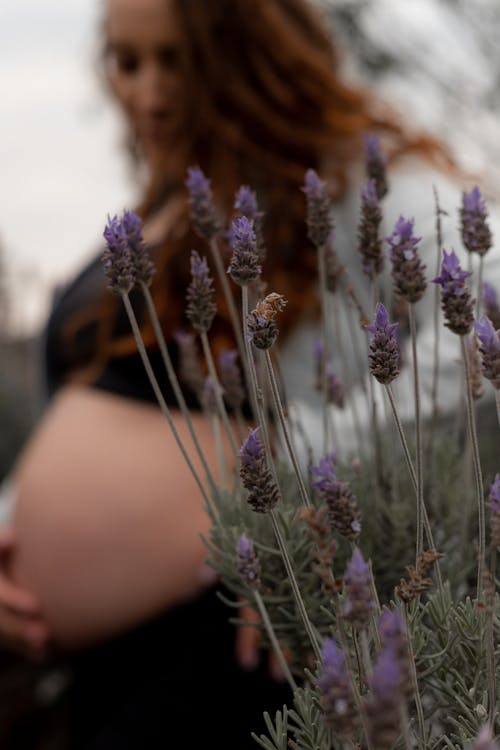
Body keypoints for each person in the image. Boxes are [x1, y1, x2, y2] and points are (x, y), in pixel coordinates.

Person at [0, 0, 499, 747]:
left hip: (230, 637)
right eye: (126, 61)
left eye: (176, 59)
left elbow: (484, 320)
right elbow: (79, 414)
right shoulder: (159, 212)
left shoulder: (333, 185)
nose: (147, 92)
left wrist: (306, 486)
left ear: (249, 56)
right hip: (87, 666)